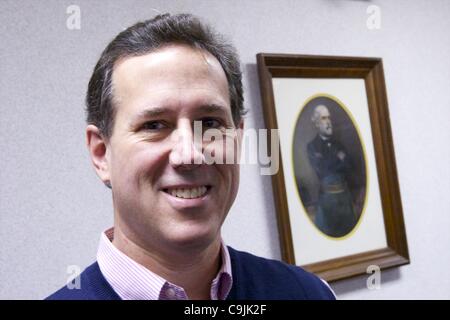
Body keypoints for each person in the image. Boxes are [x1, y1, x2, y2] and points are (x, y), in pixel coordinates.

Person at [46, 13, 335, 300]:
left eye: (210, 123)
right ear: (101, 154)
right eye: (154, 125)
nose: (190, 154)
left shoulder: (308, 293)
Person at [307, 105, 358, 237]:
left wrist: (331, 161)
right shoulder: (312, 146)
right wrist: (339, 159)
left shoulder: (338, 144)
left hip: (345, 198)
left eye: (329, 117)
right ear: (317, 123)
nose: (328, 121)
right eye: (324, 118)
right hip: (327, 202)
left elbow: (350, 166)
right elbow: (322, 170)